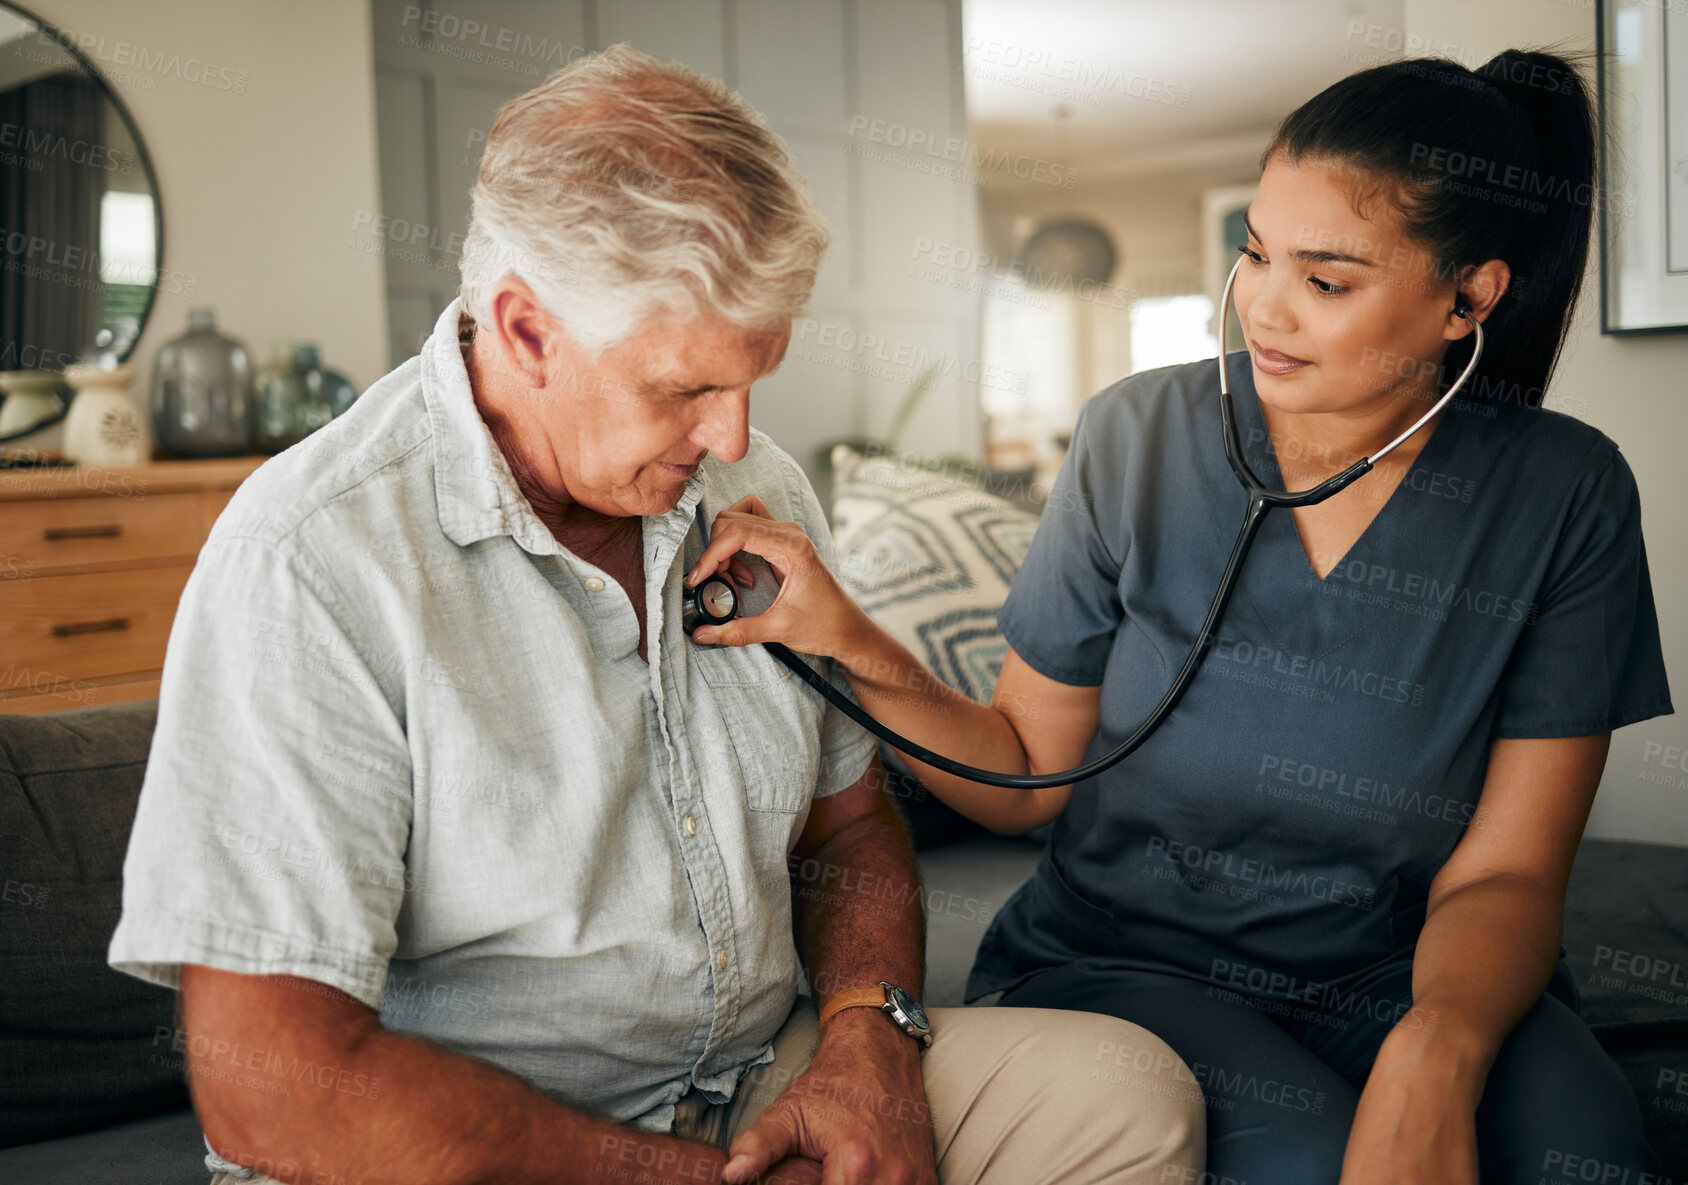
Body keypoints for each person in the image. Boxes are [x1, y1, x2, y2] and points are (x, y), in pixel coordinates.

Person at [106, 44, 1204, 1185]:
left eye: (752, 379)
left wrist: (865, 1044)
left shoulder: (754, 487)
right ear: (527, 331)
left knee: (1128, 1100)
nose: (731, 440)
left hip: (751, 1076)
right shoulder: (310, 560)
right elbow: (267, 1088)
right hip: (478, 1146)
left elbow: (850, 829)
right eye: (684, 389)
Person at [685, 50, 1674, 1185]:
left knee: (1582, 1155)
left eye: (1327, 279)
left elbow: (1506, 879)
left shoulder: (1565, 493)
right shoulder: (1134, 441)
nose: (1264, 305)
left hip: (1411, 966)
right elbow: (1023, 772)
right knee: (1303, 1159)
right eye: (1254, 252)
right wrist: (841, 630)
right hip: (1134, 963)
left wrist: (1431, 1054)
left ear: (1470, 298)